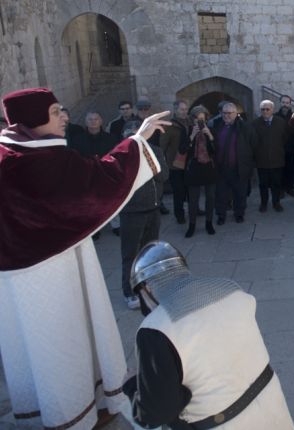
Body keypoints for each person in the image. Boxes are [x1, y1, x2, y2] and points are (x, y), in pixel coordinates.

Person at [0, 87, 169, 429]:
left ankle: (40, 408)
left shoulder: (8, 154)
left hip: (16, 279)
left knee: (31, 345)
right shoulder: (43, 161)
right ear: (35, 119)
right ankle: (71, 415)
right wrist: (138, 139)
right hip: (51, 272)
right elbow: (98, 183)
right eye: (55, 111)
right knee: (63, 339)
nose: (65, 117)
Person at [123, 240, 294, 429]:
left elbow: (156, 413)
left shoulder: (155, 329)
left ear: (147, 287)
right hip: (273, 409)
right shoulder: (231, 289)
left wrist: (132, 385)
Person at [118, 119, 169, 310]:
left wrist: (146, 156)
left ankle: (149, 288)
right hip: (131, 212)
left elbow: (163, 176)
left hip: (152, 209)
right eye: (130, 135)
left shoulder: (154, 151)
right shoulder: (120, 155)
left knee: (149, 253)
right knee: (130, 254)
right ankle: (129, 291)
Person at [212, 102, 255, 225]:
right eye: (224, 113)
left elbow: (253, 144)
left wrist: (248, 162)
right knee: (221, 194)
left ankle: (239, 214)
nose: (226, 115)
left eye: (229, 113)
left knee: (240, 194)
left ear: (236, 114)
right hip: (221, 168)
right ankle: (221, 215)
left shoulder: (245, 127)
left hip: (239, 168)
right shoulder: (216, 125)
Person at [183, 105, 217, 237]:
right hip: (194, 168)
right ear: (193, 119)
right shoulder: (187, 131)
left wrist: (209, 135)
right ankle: (192, 225)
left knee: (210, 197)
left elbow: (215, 150)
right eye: (198, 119)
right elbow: (182, 149)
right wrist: (191, 136)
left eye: (202, 119)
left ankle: (209, 223)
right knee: (193, 199)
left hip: (209, 167)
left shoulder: (211, 130)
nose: (200, 122)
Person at [159, 100, 192, 224]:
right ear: (175, 110)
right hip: (175, 165)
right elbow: (163, 145)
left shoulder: (190, 123)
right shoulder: (169, 126)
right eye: (182, 109)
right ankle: (180, 215)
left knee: (190, 189)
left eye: (186, 109)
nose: (184, 112)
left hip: (189, 163)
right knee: (178, 192)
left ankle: (194, 209)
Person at [253, 100, 288, 213]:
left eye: (267, 109)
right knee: (263, 184)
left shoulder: (281, 122)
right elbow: (253, 142)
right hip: (262, 161)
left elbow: (285, 139)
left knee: (276, 184)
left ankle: (276, 203)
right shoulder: (255, 123)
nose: (265, 111)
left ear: (272, 110)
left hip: (277, 159)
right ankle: (263, 203)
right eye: (263, 109)